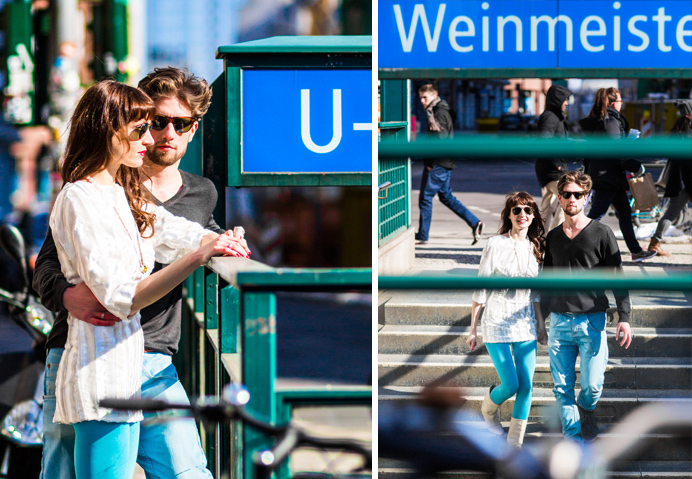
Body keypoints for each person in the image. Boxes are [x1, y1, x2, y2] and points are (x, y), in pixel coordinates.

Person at [34, 69, 246, 479]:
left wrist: (217, 240)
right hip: (87, 349)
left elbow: (171, 230)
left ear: (192, 129)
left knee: (187, 470)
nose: (158, 136)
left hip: (145, 354)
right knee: (63, 470)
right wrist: (64, 295)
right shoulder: (92, 192)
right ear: (116, 128)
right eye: (149, 125)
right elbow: (56, 266)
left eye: (178, 124)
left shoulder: (188, 192)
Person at [541, 171, 632, 443]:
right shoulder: (553, 237)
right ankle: (573, 439)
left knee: (592, 386)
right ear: (559, 197)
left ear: (587, 197)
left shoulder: (602, 233)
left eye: (578, 194)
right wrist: (539, 321)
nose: (572, 199)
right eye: (567, 194)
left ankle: (586, 409)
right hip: (558, 322)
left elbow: (617, 276)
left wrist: (624, 317)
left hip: (591, 321)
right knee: (561, 388)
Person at [467, 192, 546, 448]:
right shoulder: (495, 244)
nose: (522, 215)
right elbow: (481, 288)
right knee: (511, 385)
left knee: (526, 387)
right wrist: (472, 329)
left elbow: (536, 293)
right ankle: (488, 409)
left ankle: (515, 446)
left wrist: (541, 324)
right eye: (517, 210)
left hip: (525, 323)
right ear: (509, 215)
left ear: (533, 215)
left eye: (527, 210)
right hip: (497, 321)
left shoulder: (537, 247)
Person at [579, 87, 656, 262]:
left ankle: (635, 250)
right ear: (614, 103)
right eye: (621, 101)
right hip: (608, 175)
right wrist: (635, 166)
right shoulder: (610, 122)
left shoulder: (603, 121)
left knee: (624, 213)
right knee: (596, 214)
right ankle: (574, 245)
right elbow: (617, 151)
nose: (622, 104)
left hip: (607, 174)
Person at [415, 83, 483, 245]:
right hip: (444, 162)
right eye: (421, 98)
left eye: (425, 98)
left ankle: (423, 236)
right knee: (446, 197)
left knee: (425, 198)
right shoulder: (439, 111)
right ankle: (475, 222)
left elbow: (441, 139)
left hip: (438, 164)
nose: (422, 101)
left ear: (433, 95)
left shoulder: (437, 112)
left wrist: (431, 162)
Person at [647, 100, 692, 256]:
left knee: (671, 213)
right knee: (671, 214)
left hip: (680, 181)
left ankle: (655, 243)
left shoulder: (678, 130)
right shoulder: (688, 132)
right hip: (686, 182)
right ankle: (654, 244)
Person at [535, 84, 572, 231]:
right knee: (567, 202)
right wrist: (557, 163)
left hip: (549, 167)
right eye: (564, 99)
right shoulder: (550, 117)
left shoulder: (555, 116)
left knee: (547, 207)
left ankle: (540, 238)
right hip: (552, 169)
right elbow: (545, 141)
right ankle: (554, 236)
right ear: (557, 100)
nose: (567, 103)